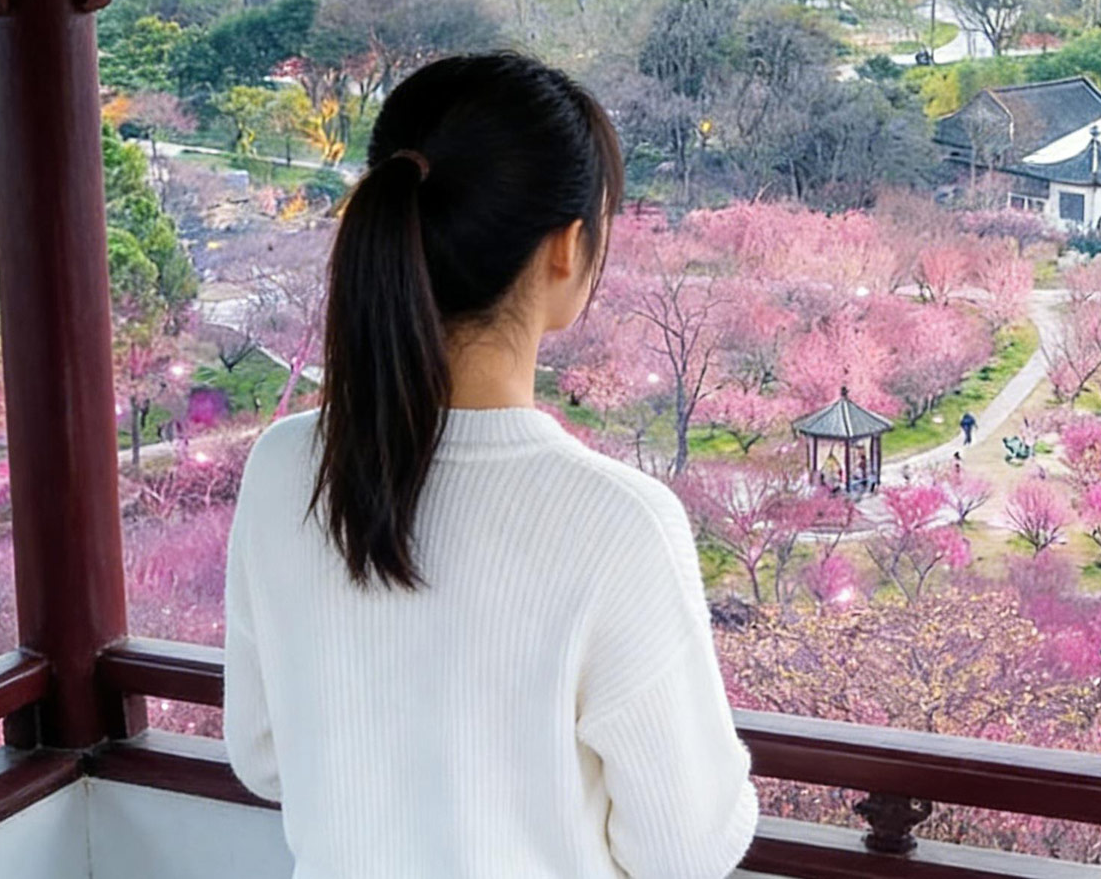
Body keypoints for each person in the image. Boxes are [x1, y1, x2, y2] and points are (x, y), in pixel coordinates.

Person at [223, 54, 756, 879]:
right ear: (565, 248)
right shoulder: (618, 522)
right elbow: (684, 849)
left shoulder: (285, 467)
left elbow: (264, 757)